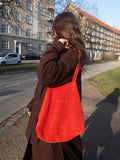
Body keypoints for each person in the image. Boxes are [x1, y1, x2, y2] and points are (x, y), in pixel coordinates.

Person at [23, 12, 86, 160]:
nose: (52, 32)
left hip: (53, 119)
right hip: (46, 113)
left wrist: (56, 46)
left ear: (60, 29)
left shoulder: (71, 54)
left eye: (54, 29)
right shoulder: (65, 52)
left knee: (50, 153)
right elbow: (45, 85)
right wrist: (33, 105)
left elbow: (45, 75)